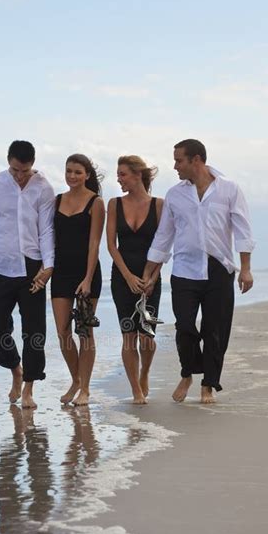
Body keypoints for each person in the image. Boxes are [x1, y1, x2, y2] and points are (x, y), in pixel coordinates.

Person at [143, 138, 255, 404]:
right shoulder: (175, 194)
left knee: (215, 330)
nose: (175, 166)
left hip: (219, 268)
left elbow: (242, 230)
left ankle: (209, 384)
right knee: (184, 326)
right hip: (184, 269)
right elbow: (163, 237)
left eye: (179, 160)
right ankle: (187, 373)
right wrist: (150, 273)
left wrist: (246, 269)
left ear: (196, 160)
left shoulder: (229, 189)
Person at [0, 140, 55, 410]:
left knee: (34, 330)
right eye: (15, 170)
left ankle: (29, 387)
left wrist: (48, 266)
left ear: (32, 165)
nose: (19, 176)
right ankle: (16, 369)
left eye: (25, 171)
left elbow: (47, 230)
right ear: (8, 161)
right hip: (1, 265)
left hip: (32, 266)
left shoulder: (43, 187)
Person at [107, 155, 164, 404]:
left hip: (150, 277)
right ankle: (135, 390)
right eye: (118, 175)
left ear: (138, 175)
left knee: (147, 336)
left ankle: (145, 372)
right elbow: (111, 245)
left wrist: (151, 277)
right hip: (122, 277)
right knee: (129, 334)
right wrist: (128, 276)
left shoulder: (160, 205)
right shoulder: (114, 204)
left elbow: (163, 245)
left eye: (122, 174)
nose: (119, 179)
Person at [51, 154, 105, 406]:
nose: (72, 176)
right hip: (61, 272)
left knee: (84, 333)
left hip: (87, 274)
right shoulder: (56, 201)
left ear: (87, 175)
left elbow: (95, 243)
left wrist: (87, 278)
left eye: (77, 172)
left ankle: (85, 388)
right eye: (69, 171)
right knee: (63, 331)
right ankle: (76, 380)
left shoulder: (96, 203)